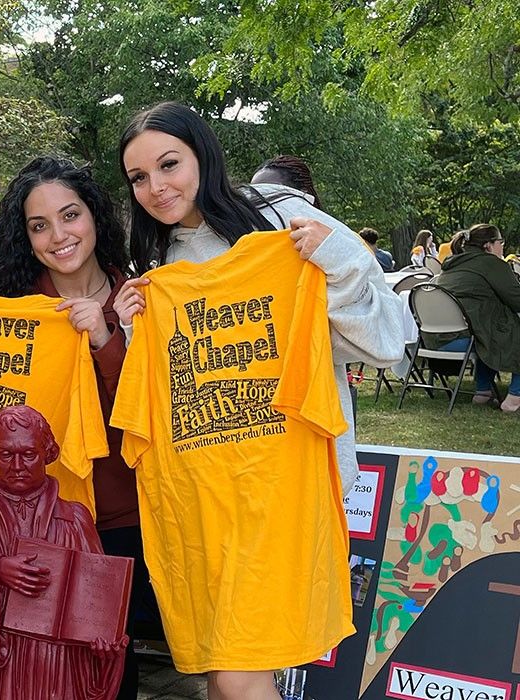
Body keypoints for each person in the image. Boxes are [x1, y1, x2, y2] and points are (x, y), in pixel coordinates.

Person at [115, 101, 403, 699]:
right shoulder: (154, 261)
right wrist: (134, 327)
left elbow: (388, 344)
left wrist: (341, 260)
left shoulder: (284, 219)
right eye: (139, 177)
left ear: (203, 154)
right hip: (203, 496)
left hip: (284, 489)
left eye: (169, 164)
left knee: (237, 673)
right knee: (223, 674)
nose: (156, 188)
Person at [0, 156, 156, 699]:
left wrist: (107, 341)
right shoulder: (9, 309)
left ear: (94, 216)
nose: (58, 236)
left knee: (108, 659)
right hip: (34, 519)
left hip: (120, 516)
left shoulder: (144, 298)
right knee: (34, 666)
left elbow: (156, 413)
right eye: (38, 225)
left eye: (69, 215)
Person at [0, 405, 126, 699]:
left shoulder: (75, 521)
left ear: (47, 453)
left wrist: (104, 645)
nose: (17, 465)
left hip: (53, 671)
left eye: (29, 454)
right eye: (6, 454)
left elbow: (98, 602)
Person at [430, 223, 520, 412]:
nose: (502, 246)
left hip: (438, 339)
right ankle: (514, 399)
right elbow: (517, 300)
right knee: (497, 331)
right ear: (488, 245)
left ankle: (482, 392)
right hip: (470, 339)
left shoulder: (452, 263)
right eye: (500, 242)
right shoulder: (491, 263)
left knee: (488, 330)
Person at [250, 154, 324, 211]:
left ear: (303, 194)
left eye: (271, 191)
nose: (259, 199)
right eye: (253, 193)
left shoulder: (327, 228)